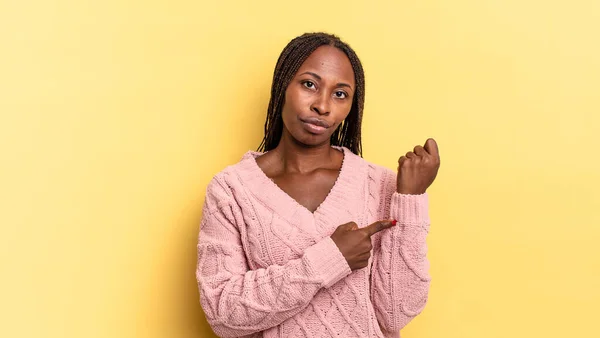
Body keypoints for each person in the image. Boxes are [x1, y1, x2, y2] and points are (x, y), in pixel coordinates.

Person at [195, 32, 440, 338]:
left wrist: (411, 199)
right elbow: (222, 314)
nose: (322, 106)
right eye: (309, 84)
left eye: (340, 94)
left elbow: (395, 313)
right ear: (283, 85)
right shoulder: (231, 191)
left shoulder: (381, 185)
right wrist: (330, 259)